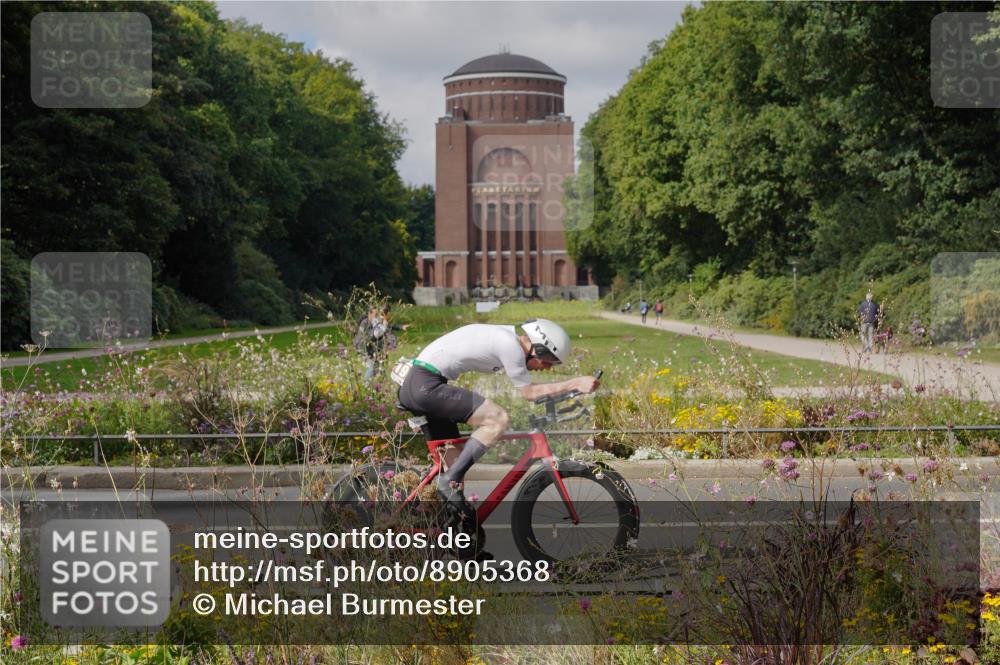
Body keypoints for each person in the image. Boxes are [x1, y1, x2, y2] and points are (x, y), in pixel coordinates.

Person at [397, 319, 600, 523]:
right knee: (497, 419)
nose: (547, 368)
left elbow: (534, 391)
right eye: (548, 362)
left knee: (453, 465)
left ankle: (460, 540)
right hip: (425, 385)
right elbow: (530, 393)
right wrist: (575, 383)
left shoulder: (507, 340)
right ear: (538, 349)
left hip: (422, 384)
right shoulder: (509, 345)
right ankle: (449, 481)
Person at [356, 306, 409, 381]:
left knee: (380, 367)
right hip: (363, 349)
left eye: (378, 313)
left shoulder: (375, 321)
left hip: (372, 349)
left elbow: (388, 326)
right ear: (369, 314)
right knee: (371, 367)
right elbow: (372, 335)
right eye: (376, 314)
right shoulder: (364, 323)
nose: (377, 315)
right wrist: (383, 326)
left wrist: (401, 327)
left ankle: (380, 384)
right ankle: (366, 385)